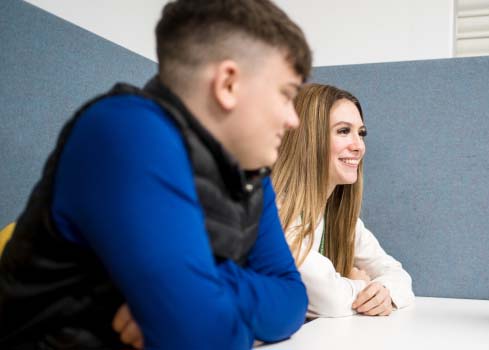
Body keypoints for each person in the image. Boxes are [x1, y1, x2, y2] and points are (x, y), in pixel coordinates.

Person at [0, 0, 312, 349]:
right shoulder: (127, 130)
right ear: (228, 84)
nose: (293, 119)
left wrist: (211, 289)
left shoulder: (251, 174)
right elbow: (201, 338)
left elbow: (292, 302)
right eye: (286, 95)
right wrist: (221, 316)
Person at [271, 83, 415, 317]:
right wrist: (360, 282)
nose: (358, 146)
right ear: (308, 139)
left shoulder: (338, 218)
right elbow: (330, 300)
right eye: (343, 131)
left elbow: (397, 274)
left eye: (361, 133)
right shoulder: (277, 211)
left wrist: (386, 290)